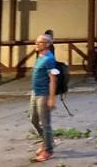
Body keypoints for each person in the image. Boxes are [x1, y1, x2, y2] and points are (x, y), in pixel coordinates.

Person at [30, 33, 57, 162]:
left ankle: (48, 150)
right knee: (33, 119)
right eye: (36, 42)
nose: (36, 44)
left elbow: (53, 79)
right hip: (35, 93)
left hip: (44, 94)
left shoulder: (49, 59)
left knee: (45, 123)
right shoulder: (39, 56)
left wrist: (51, 98)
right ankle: (47, 140)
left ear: (47, 44)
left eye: (39, 42)